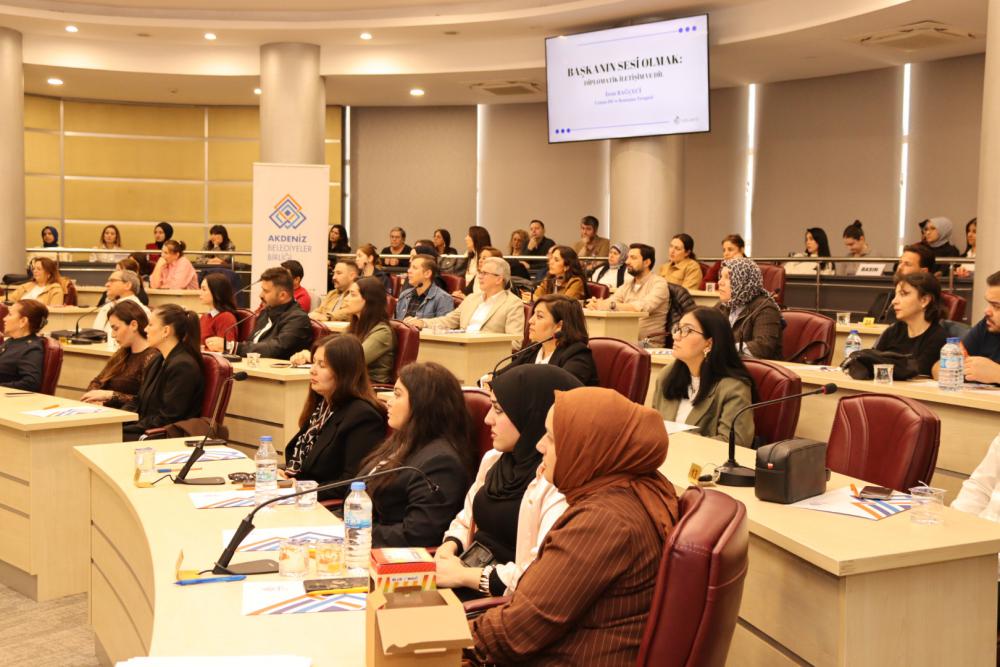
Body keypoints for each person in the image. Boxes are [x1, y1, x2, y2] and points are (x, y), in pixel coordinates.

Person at [470, 387, 679, 665]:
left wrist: (444, 638)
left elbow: (516, 631)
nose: (539, 446)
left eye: (551, 437)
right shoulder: (629, 490)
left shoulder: (603, 522)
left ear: (586, 447)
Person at [435, 365, 582, 598]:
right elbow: (466, 519)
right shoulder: (495, 460)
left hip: (500, 600)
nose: (487, 419)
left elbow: (536, 571)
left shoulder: (555, 481)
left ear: (531, 415)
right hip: (463, 577)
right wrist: (450, 546)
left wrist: (465, 575)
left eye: (498, 410)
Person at [358, 362, 473, 546]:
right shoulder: (402, 440)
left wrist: (354, 532)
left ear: (423, 403)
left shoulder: (441, 462)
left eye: (397, 395)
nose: (389, 401)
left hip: (387, 553)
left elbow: (418, 533)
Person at [282, 335, 387, 501]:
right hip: (300, 495)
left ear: (344, 372)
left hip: (324, 504)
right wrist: (281, 475)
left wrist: (301, 489)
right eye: (313, 362)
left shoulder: (363, 416)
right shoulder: (323, 406)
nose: (312, 370)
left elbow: (352, 482)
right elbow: (302, 466)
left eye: (322, 365)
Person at [651, 307, 755, 446]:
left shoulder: (733, 388)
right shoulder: (667, 375)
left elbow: (735, 445)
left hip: (702, 460)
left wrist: (682, 441)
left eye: (687, 330)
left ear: (709, 343)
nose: (676, 336)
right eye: (678, 328)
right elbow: (653, 426)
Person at [406, 257, 526, 351]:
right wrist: (423, 322)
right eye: (480, 272)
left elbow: (515, 343)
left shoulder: (513, 303)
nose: (479, 277)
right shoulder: (471, 298)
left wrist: (481, 342)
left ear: (499, 279)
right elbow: (448, 321)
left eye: (484, 273)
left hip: (486, 354)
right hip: (460, 349)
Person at [122, 304, 204, 439]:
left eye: (150, 325)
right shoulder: (157, 359)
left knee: (103, 438)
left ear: (166, 331)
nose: (145, 329)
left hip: (163, 435)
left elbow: (168, 418)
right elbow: (138, 401)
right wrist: (118, 420)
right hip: (145, 427)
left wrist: (126, 428)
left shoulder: (183, 366)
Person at [293, 277, 395, 383]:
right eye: (348, 294)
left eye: (353, 294)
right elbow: (334, 350)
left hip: (370, 386)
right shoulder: (354, 326)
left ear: (369, 300)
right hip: (349, 382)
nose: (346, 299)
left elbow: (351, 362)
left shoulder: (383, 332)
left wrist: (313, 358)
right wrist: (310, 356)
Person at [207, 267, 311, 360]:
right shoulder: (265, 312)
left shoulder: (298, 319)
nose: (261, 295)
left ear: (282, 295)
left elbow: (277, 348)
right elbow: (252, 343)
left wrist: (232, 347)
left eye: (266, 291)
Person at [501, 294, 598, 386]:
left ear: (559, 326)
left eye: (539, 316)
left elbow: (557, 390)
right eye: (533, 314)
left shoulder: (577, 355)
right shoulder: (533, 349)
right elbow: (501, 376)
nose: (530, 321)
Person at [585, 243, 670, 345]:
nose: (627, 262)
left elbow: (641, 307)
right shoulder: (628, 284)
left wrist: (611, 306)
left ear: (647, 262)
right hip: (625, 339)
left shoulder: (659, 283)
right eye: (628, 257)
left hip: (648, 343)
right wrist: (597, 304)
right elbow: (612, 301)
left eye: (633, 258)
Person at [80, 301, 159, 408]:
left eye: (116, 328)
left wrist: (109, 396)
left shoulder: (152, 357)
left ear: (134, 325)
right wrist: (93, 397)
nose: (113, 335)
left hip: (129, 416)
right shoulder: (121, 353)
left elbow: (144, 400)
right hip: (105, 411)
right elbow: (97, 381)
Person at [873, 273, 947, 377]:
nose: (894, 301)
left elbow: (916, 373)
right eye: (896, 295)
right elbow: (872, 361)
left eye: (903, 294)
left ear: (924, 300)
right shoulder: (893, 331)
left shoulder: (939, 338)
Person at [933, 270, 1000, 384]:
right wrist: (950, 365)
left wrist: (997, 374)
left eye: (997, 306)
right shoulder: (987, 325)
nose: (987, 311)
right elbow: (937, 370)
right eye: (988, 303)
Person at [716, 256, 782, 359]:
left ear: (743, 280)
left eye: (727, 277)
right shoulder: (722, 306)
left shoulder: (765, 308)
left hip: (758, 367)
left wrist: (724, 349)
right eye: (721, 276)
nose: (720, 282)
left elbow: (763, 347)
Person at [867, 244, 934, 324]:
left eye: (907, 264)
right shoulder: (883, 297)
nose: (900, 267)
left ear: (923, 272)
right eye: (900, 262)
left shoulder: (928, 303)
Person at [0, 300, 47, 392]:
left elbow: (31, 383)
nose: (4, 319)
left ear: (23, 321)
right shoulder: (11, 341)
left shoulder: (31, 348)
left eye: (10, 314)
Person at [394, 255, 453, 320]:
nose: (409, 271)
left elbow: (444, 325)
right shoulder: (404, 295)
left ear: (427, 274)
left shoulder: (443, 298)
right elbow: (396, 322)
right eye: (410, 267)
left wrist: (421, 323)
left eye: (414, 268)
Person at [92, 269, 149, 336]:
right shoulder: (106, 307)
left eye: (112, 281)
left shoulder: (141, 311)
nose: (107, 284)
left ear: (127, 285)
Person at [198, 273, 239, 348]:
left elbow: (226, 349)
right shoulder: (205, 316)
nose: (199, 293)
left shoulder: (226, 318)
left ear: (216, 291)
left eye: (204, 289)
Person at [463, 226, 493, 291]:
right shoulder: (469, 255)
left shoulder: (488, 257)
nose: (465, 238)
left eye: (468, 235)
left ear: (476, 238)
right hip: (470, 291)